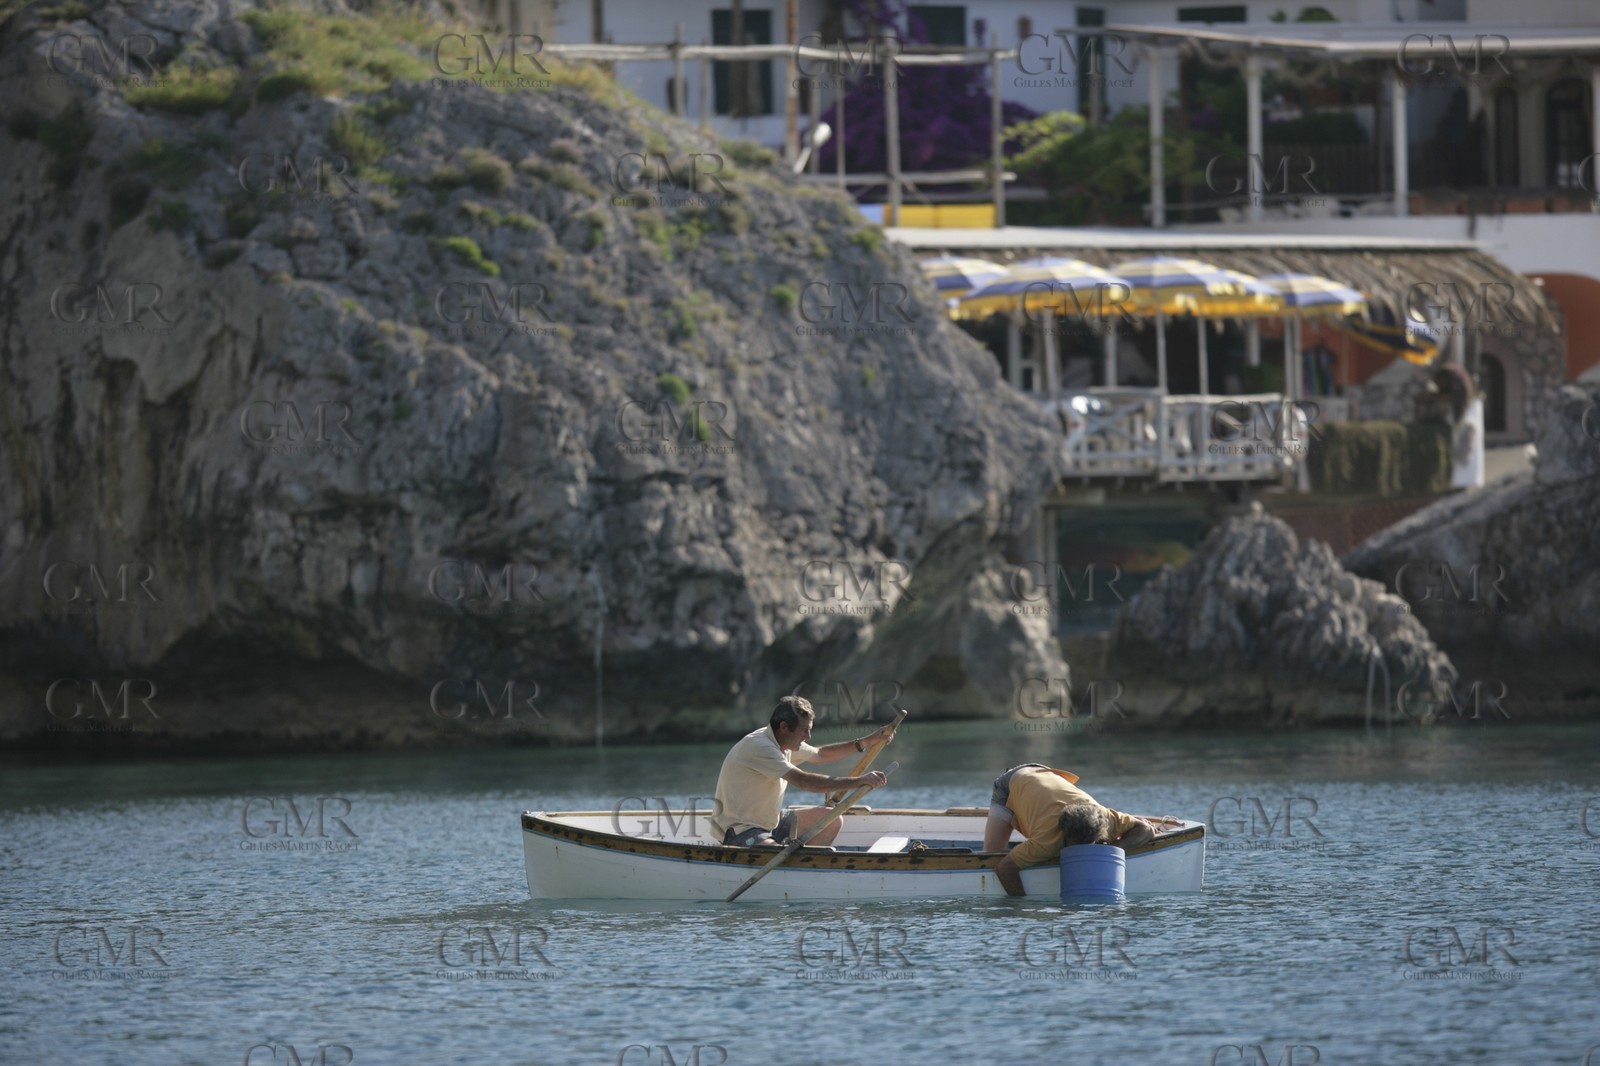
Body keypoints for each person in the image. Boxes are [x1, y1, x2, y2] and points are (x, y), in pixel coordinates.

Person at [710, 696, 894, 847]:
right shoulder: (760, 747)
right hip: (740, 830)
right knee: (772, 853)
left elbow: (821, 754)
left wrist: (867, 741)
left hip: (772, 821)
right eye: (804, 731)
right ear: (784, 727)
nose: (808, 736)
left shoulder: (785, 742)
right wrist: (858, 781)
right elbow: (804, 782)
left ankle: (806, 865)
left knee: (831, 820)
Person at [982, 763, 1156, 897]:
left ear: (1101, 831)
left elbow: (1146, 829)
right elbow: (1004, 868)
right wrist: (1020, 903)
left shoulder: (1104, 817)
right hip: (1011, 783)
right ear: (1062, 833)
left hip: (1046, 774)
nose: (1081, 850)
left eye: (1089, 843)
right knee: (990, 854)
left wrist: (1112, 851)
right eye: (1075, 845)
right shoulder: (1047, 840)